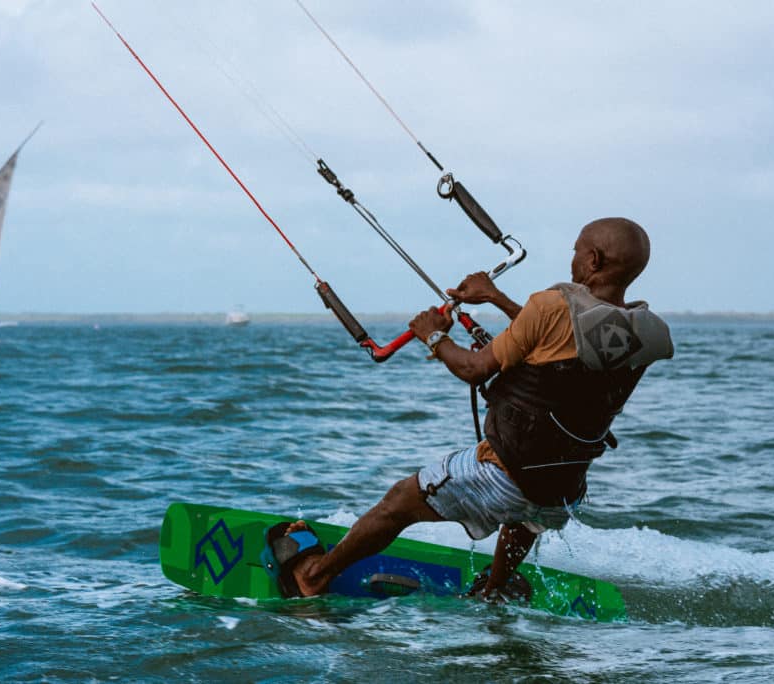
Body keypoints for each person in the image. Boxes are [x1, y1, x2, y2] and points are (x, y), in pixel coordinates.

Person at [266, 217, 674, 600]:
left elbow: (474, 369)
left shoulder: (550, 306)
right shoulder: (644, 332)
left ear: (594, 260)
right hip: (562, 491)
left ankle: (312, 576)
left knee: (399, 502)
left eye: (576, 251)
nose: (572, 259)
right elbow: (561, 339)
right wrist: (495, 298)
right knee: (527, 507)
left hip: (507, 472)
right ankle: (494, 588)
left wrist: (433, 337)